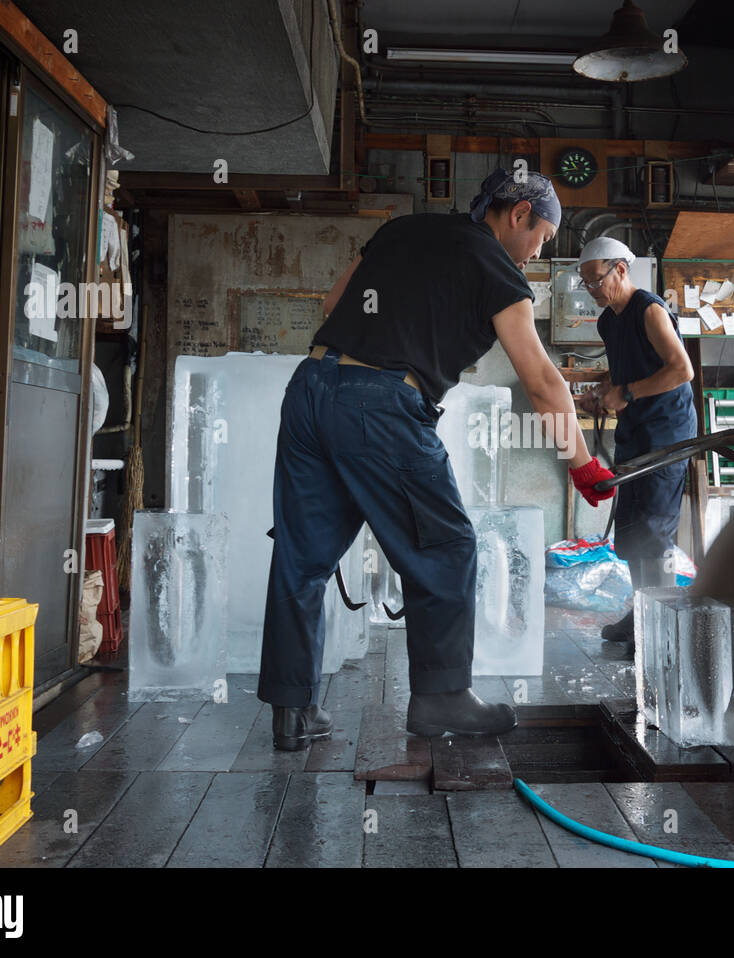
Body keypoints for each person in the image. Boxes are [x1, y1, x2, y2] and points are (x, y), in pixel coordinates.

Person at [259, 168, 615, 749]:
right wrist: (581, 463)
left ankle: (292, 710)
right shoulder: (495, 266)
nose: (535, 253)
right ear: (519, 215)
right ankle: (441, 698)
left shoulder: (402, 231)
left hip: (310, 390)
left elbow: (331, 304)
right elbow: (544, 381)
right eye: (543, 239)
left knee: (303, 556)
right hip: (380, 403)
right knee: (446, 545)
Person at [575, 237, 697, 643]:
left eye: (596, 281)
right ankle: (641, 614)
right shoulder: (609, 320)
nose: (592, 290)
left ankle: (662, 628)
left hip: (667, 434)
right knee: (631, 532)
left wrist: (625, 394)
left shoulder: (650, 310)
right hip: (635, 432)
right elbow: (624, 371)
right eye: (586, 283)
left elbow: (681, 370)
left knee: (654, 533)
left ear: (621, 270)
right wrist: (603, 394)